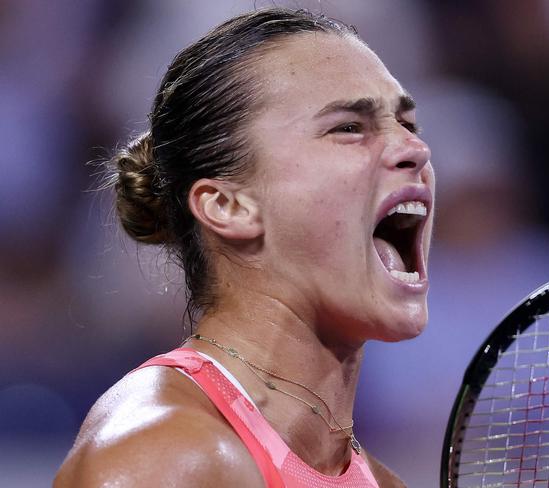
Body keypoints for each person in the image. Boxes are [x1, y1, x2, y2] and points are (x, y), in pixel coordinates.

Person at [54, 7, 434, 487]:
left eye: (409, 125)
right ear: (228, 206)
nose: (415, 149)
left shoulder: (383, 483)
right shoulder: (166, 457)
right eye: (348, 127)